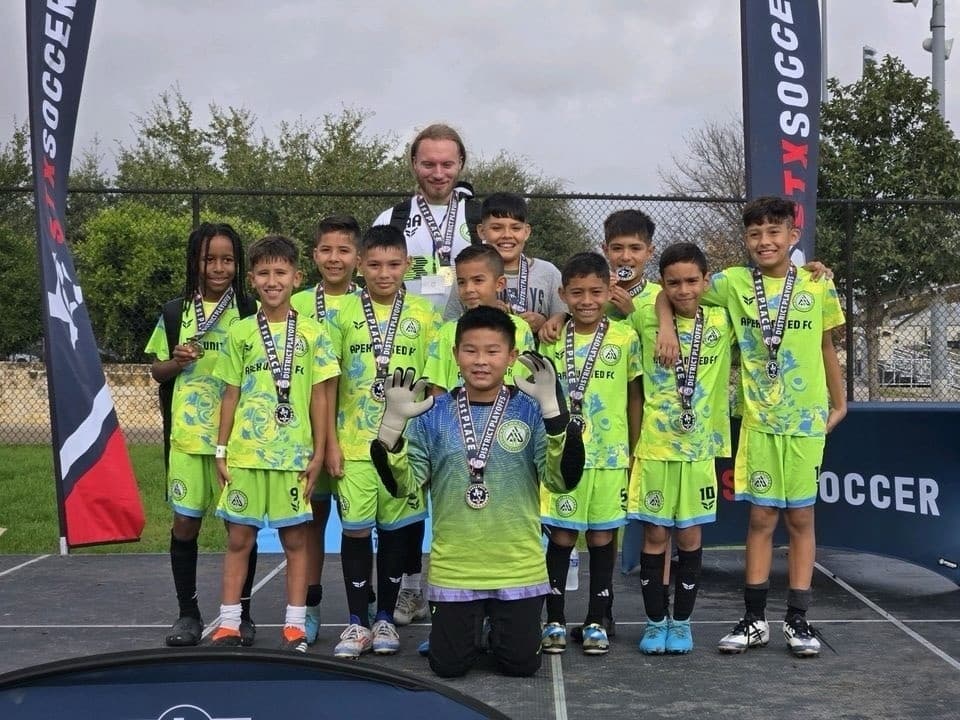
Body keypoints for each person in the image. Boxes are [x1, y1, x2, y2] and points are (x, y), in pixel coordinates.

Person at [656, 196, 846, 658]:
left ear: (792, 236)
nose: (765, 241)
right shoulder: (734, 283)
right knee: (761, 519)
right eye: (755, 234)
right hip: (759, 422)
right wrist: (664, 325)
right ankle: (754, 619)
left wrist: (840, 405)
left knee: (801, 518)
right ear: (747, 239)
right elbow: (673, 288)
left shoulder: (818, 285)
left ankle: (798, 621)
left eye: (774, 232)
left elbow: (825, 349)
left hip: (804, 422)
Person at [369, 307, 586, 678]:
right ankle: (473, 628)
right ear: (455, 355)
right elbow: (405, 486)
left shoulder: (531, 409)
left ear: (511, 357)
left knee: (521, 665)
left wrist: (554, 413)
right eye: (470, 351)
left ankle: (491, 628)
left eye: (492, 351)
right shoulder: (433, 413)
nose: (481, 361)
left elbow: (561, 481)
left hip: (518, 566)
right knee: (448, 667)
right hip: (456, 568)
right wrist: (391, 430)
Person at [209, 234, 339, 652]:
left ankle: (295, 626)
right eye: (263, 273)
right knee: (238, 539)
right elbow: (230, 393)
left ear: (296, 277)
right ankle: (228, 624)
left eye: (280, 272)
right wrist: (221, 449)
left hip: (293, 458)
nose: (271, 280)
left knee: (296, 542)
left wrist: (319, 453)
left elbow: (321, 397)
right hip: (246, 455)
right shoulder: (240, 332)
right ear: (252, 280)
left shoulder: (315, 334)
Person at [325, 224, 441, 658]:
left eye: (393, 264)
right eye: (374, 264)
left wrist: (429, 447)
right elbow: (327, 383)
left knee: (396, 534)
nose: (384, 272)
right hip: (354, 445)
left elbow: (434, 390)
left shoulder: (426, 318)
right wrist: (330, 445)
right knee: (356, 532)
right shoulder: (338, 315)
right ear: (360, 265)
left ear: (406, 265)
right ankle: (356, 623)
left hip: (405, 449)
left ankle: (387, 619)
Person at [145, 222, 259, 648]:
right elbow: (156, 372)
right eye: (209, 259)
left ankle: (241, 614)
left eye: (227, 259)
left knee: (239, 528)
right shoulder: (176, 313)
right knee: (185, 523)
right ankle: (188, 613)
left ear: (238, 263)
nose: (218, 267)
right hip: (189, 442)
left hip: (238, 441)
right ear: (195, 261)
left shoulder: (249, 313)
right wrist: (175, 362)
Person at [629, 242, 733, 655]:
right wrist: (665, 320)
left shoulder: (724, 320)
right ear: (663, 284)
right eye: (674, 283)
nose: (684, 289)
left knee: (689, 535)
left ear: (706, 282)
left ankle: (683, 623)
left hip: (699, 449)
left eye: (692, 281)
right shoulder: (645, 317)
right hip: (654, 448)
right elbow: (624, 307)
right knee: (655, 534)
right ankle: (655, 623)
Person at [538, 252, 642, 656]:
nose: (586, 301)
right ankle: (556, 619)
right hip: (561, 456)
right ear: (562, 294)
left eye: (595, 292)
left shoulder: (625, 337)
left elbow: (635, 396)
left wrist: (632, 449)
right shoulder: (550, 337)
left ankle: (597, 618)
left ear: (608, 292)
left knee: (602, 536)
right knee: (562, 535)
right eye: (576, 293)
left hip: (610, 455)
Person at [290, 214, 361, 645]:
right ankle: (309, 605)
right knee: (311, 523)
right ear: (314, 254)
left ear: (357, 256)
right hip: (304, 437)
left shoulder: (370, 302)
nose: (335, 259)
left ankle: (364, 604)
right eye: (326, 250)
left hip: (356, 434)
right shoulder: (294, 304)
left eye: (344, 250)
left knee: (359, 523)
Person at [372, 123, 477, 309]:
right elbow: (370, 282)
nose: (438, 174)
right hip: (405, 332)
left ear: (460, 163)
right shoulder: (389, 220)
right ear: (414, 163)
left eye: (447, 164)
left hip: (468, 332)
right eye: (428, 164)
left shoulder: (480, 218)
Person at [442, 192, 566, 337]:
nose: (507, 235)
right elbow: (450, 325)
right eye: (496, 228)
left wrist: (545, 322)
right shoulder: (468, 276)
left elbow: (565, 319)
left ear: (526, 232)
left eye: (515, 228)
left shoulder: (548, 273)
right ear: (481, 231)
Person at [426, 243, 535, 394]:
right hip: (457, 416)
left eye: (478, 280)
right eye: (462, 282)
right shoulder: (446, 331)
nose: (469, 289)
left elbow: (529, 381)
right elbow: (437, 388)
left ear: (499, 284)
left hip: (509, 416)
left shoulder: (521, 328)